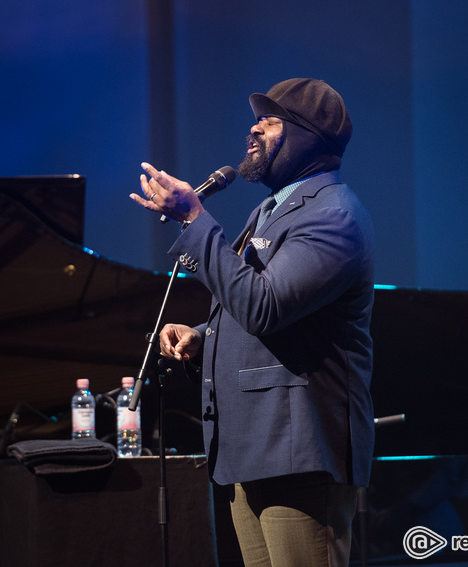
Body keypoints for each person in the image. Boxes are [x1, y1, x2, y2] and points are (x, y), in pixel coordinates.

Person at [129, 78, 375, 567]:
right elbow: (254, 303)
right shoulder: (269, 209)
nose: (254, 127)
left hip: (300, 451)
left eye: (270, 120)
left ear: (306, 136)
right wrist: (202, 337)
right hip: (254, 448)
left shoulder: (333, 216)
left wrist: (195, 219)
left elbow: (263, 306)